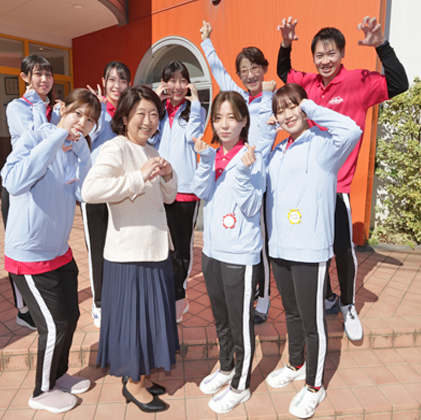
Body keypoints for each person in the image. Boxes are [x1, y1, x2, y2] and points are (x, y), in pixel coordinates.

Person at [276, 16, 408, 341]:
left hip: (338, 187)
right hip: (308, 188)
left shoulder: (359, 81)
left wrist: (381, 44)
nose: (324, 60)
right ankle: (328, 296)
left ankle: (348, 305)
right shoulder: (308, 83)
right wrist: (285, 43)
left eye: (330, 53)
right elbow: (284, 73)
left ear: (341, 54)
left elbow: (399, 83)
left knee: (341, 249)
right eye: (319, 55)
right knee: (312, 248)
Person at [263, 84, 362, 418]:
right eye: (281, 110)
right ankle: (295, 362)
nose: (287, 114)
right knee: (290, 313)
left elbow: (352, 129)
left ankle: (314, 386)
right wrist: (267, 131)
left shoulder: (324, 145)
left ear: (305, 107)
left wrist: (311, 107)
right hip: (279, 246)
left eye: (293, 106)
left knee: (312, 320)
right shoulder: (277, 149)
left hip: (309, 248)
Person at [1, 88, 100, 414]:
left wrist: (83, 151)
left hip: (59, 251)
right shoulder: (32, 137)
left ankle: (58, 376)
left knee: (70, 316)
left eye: (90, 119)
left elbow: (86, 193)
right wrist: (56, 137)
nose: (82, 122)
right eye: (78, 113)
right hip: (28, 256)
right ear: (61, 109)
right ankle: (41, 391)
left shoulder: (76, 149)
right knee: (54, 325)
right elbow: (14, 181)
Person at [81, 86, 179, 414]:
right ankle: (133, 384)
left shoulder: (151, 150)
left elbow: (166, 197)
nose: (148, 121)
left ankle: (143, 375)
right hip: (129, 255)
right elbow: (91, 189)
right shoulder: (116, 149)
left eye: (154, 114)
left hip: (155, 250)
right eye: (141, 114)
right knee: (135, 323)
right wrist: (137, 179)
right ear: (124, 117)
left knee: (151, 321)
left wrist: (168, 175)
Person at [191, 91, 265, 414]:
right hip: (212, 250)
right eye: (218, 117)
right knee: (221, 318)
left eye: (231, 117)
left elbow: (252, 206)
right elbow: (201, 191)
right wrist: (206, 161)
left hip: (240, 255)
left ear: (243, 121)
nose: (223, 124)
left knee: (240, 323)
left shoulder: (252, 157)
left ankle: (241, 385)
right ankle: (225, 367)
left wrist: (244, 174)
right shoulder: (213, 154)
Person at [200, 21, 275, 323]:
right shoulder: (238, 98)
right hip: (236, 172)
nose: (249, 74)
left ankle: (264, 297)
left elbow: (271, 134)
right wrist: (206, 42)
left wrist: (269, 97)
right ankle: (248, 291)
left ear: (263, 68)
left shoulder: (273, 97)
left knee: (261, 242)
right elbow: (219, 72)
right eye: (244, 69)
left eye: (254, 67)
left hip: (259, 176)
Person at [3, 55, 59, 330]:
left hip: (45, 185)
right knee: (20, 250)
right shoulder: (18, 107)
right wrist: (46, 109)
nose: (44, 80)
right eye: (38, 74)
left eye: (48, 74)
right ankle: (22, 309)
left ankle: (36, 303)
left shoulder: (52, 109)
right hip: (21, 186)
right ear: (25, 77)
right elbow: (37, 137)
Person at [149, 60, 206, 323]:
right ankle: (166, 291)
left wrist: (195, 104)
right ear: (164, 83)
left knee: (182, 248)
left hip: (185, 191)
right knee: (162, 245)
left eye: (182, 80)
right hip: (159, 189)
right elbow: (148, 140)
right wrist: (156, 105)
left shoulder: (194, 112)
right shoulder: (158, 113)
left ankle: (178, 296)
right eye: (171, 80)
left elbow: (192, 140)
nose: (177, 86)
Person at [81, 61, 131, 329]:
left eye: (122, 81)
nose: (117, 86)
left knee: (117, 249)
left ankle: (116, 297)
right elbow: (89, 133)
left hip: (120, 193)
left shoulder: (129, 113)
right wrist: (96, 109)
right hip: (95, 193)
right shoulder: (97, 112)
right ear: (103, 82)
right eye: (112, 80)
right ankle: (99, 303)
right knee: (97, 249)